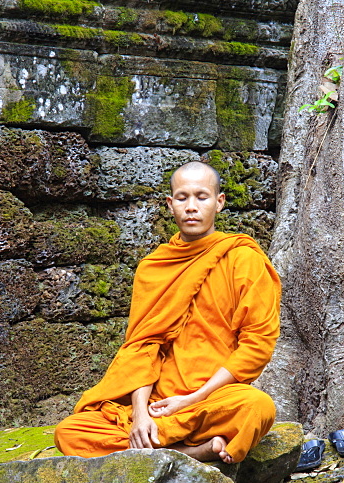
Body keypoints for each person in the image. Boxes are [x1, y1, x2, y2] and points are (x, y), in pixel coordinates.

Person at [54, 161, 281, 464]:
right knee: (70, 432)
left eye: (202, 197)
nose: (191, 207)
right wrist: (139, 415)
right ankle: (189, 452)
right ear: (170, 205)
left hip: (211, 398)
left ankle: (155, 449)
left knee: (257, 407)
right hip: (156, 404)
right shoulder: (154, 267)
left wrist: (192, 399)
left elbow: (257, 345)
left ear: (219, 202)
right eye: (183, 198)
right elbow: (142, 347)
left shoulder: (243, 260)